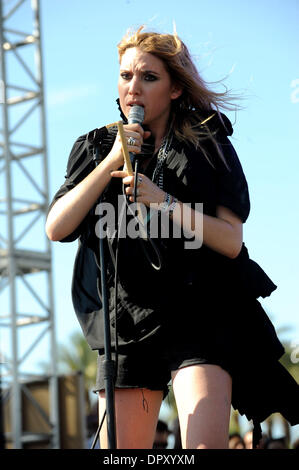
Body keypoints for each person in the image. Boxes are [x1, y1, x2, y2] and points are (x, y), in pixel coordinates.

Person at [46, 26, 299, 449]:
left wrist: (162, 201)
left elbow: (231, 240)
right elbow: (57, 227)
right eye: (125, 76)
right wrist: (111, 158)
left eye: (148, 77)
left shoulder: (206, 145)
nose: (133, 88)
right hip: (126, 321)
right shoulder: (95, 147)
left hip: (198, 315)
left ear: (176, 89)